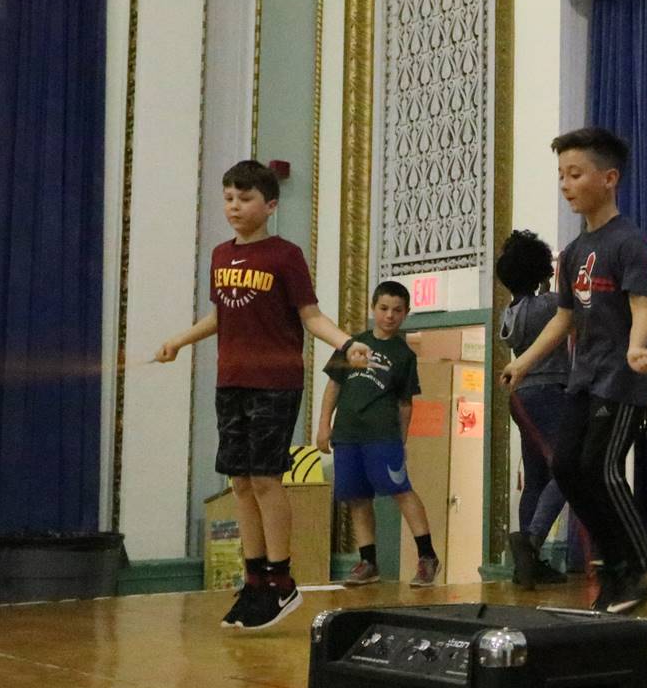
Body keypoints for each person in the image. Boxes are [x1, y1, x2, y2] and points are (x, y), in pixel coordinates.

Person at [156, 159, 371, 630]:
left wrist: (348, 343)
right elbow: (221, 316)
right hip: (229, 381)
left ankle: (281, 579)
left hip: (274, 382)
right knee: (239, 481)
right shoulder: (219, 255)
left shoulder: (284, 255)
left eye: (246, 198)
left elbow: (311, 316)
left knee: (267, 479)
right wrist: (179, 339)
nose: (235, 206)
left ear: (270, 205)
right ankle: (253, 579)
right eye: (229, 197)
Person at [499, 128, 647, 615]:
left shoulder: (629, 242)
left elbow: (643, 306)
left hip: (621, 380)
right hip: (583, 379)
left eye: (575, 174)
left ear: (609, 178)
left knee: (601, 467)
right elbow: (564, 318)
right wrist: (525, 361)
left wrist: (638, 347)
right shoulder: (573, 253)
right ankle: (617, 569)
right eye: (561, 176)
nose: (566, 184)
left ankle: (645, 563)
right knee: (566, 467)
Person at [314, 281, 438, 588]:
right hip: (347, 435)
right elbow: (334, 386)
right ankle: (368, 561)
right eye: (384, 309)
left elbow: (406, 403)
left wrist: (401, 439)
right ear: (373, 309)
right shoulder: (353, 344)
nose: (390, 316)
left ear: (406, 313)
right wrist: (323, 425)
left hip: (382, 436)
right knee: (357, 498)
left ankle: (427, 556)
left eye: (397, 310)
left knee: (400, 490)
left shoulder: (404, 355)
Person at [495, 229, 570, 588]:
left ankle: (527, 564)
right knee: (567, 472)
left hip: (521, 398)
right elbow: (575, 307)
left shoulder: (508, 314)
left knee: (536, 479)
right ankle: (532, 541)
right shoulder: (549, 305)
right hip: (550, 392)